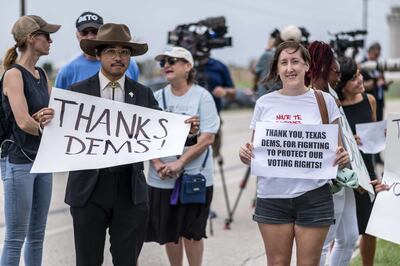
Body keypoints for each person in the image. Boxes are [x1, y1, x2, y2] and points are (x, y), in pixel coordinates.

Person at [239, 41, 349, 266]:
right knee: (277, 262)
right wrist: (245, 154)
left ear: (307, 66)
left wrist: (342, 159)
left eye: (295, 61)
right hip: (272, 197)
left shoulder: (325, 101)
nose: (290, 68)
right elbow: (254, 151)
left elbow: (340, 153)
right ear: (277, 69)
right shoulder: (264, 103)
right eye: (284, 63)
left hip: (314, 196)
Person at [63, 23, 157, 266]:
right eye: (111, 52)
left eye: (124, 52)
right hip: (88, 190)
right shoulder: (76, 93)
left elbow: (161, 133)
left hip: (130, 190)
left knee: (127, 261)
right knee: (87, 260)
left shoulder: (144, 94)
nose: (118, 58)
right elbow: (60, 136)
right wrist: (46, 123)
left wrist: (188, 133)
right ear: (98, 55)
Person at [145, 46, 220, 266]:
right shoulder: (156, 97)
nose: (166, 65)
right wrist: (158, 163)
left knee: (192, 233)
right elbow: (146, 137)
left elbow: (207, 138)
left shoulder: (202, 96)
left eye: (173, 61)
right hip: (161, 178)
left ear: (188, 67)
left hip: (194, 178)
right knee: (170, 233)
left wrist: (180, 163)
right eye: (163, 62)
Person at [0, 15, 60, 265]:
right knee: (15, 237)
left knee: (37, 235)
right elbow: (24, 122)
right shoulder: (13, 75)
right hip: (19, 162)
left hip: (41, 160)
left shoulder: (42, 74)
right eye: (46, 35)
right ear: (31, 39)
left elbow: (49, 116)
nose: (50, 40)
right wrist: (42, 126)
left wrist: (47, 117)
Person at [307, 41, 359, 266]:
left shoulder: (331, 95)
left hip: (344, 174)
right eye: (336, 71)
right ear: (324, 67)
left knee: (349, 236)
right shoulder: (308, 96)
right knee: (322, 242)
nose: (339, 77)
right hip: (325, 179)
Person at [335, 57, 377, 266]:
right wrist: (350, 139)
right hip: (346, 174)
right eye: (353, 78)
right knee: (341, 234)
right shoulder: (335, 107)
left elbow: (373, 132)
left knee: (370, 228)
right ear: (341, 84)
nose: (360, 80)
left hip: (367, 170)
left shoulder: (369, 100)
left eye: (359, 74)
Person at [54, 11, 140, 89]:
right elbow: (58, 104)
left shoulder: (129, 64)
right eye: (84, 32)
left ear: (103, 34)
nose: (90, 36)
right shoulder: (67, 71)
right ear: (77, 35)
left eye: (95, 31)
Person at [253, 25, 302, 98]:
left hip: (265, 99)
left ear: (280, 39)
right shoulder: (298, 59)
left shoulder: (267, 56)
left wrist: (269, 49)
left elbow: (256, 73)